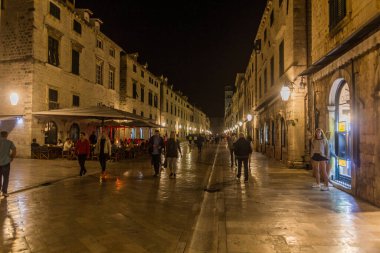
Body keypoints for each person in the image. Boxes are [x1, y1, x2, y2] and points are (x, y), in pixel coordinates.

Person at [0, 131, 16, 197]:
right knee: (6, 178)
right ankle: (4, 192)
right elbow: (14, 149)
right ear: (6, 135)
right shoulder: (9, 142)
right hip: (6, 162)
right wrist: (12, 157)